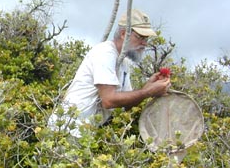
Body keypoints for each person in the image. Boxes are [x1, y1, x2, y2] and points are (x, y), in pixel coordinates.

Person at [48, 9, 171, 137]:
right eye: (140, 37)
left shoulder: (123, 62)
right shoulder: (105, 53)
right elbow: (108, 100)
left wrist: (148, 87)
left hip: (82, 134)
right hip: (66, 130)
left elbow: (125, 105)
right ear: (124, 34)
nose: (144, 43)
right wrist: (147, 92)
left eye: (146, 38)